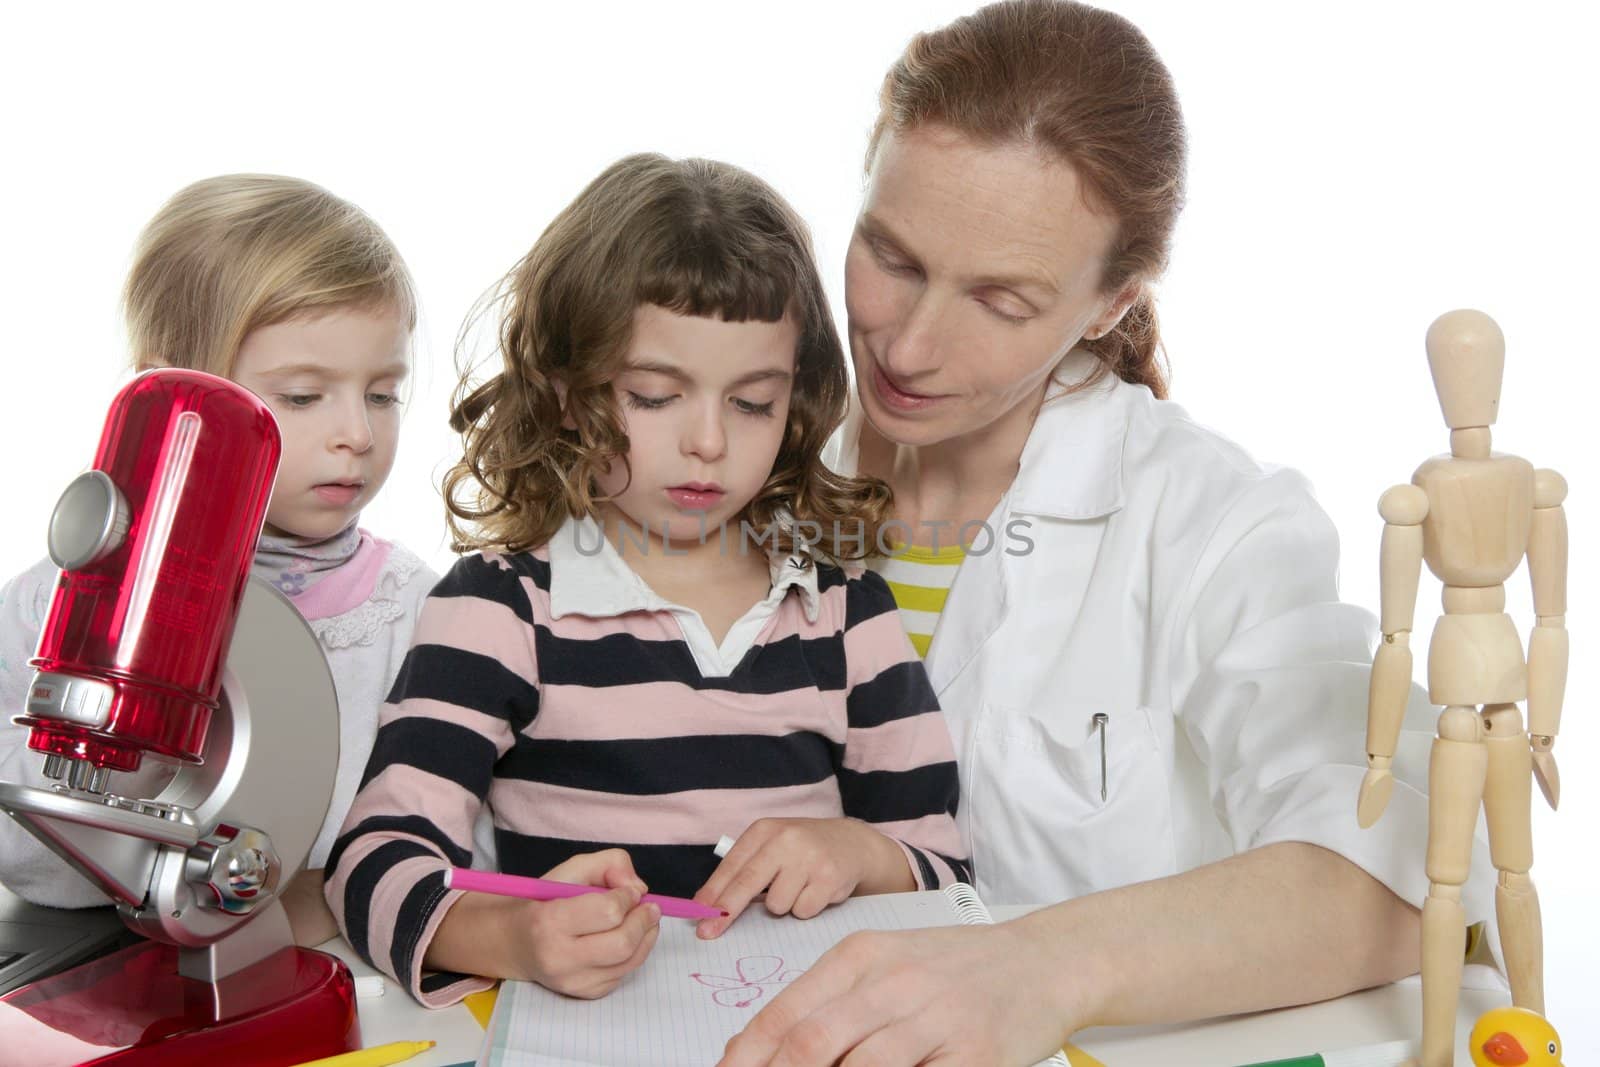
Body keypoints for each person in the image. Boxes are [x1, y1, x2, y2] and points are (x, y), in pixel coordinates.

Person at [719, 3, 1498, 1064]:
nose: (906, 342)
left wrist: (1043, 965)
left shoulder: (1214, 524)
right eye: (890, 256)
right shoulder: (727, 457)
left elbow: (1410, 869)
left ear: (1109, 300)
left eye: (1000, 298)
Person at [323, 153, 969, 1007]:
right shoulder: (499, 609)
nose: (708, 441)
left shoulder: (849, 616)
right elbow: (370, 864)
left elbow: (951, 879)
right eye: (657, 395)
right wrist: (515, 939)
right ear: (564, 391)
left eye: (752, 403)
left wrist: (857, 853)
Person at [0, 174, 438, 948]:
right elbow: (38, 869)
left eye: (382, 394)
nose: (358, 435)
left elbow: (452, 834)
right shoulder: (61, 606)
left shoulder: (413, 610)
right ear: (171, 390)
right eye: (303, 397)